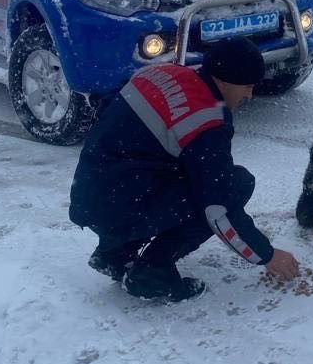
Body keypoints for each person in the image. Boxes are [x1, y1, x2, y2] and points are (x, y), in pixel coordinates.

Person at [70, 37, 300, 302]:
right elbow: (219, 207)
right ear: (224, 81)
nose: (249, 95)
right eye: (247, 86)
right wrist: (266, 255)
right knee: (237, 184)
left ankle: (114, 254)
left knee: (172, 172)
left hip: (90, 194)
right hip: (120, 204)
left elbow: (106, 109)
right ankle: (152, 272)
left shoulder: (162, 72)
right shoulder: (207, 121)